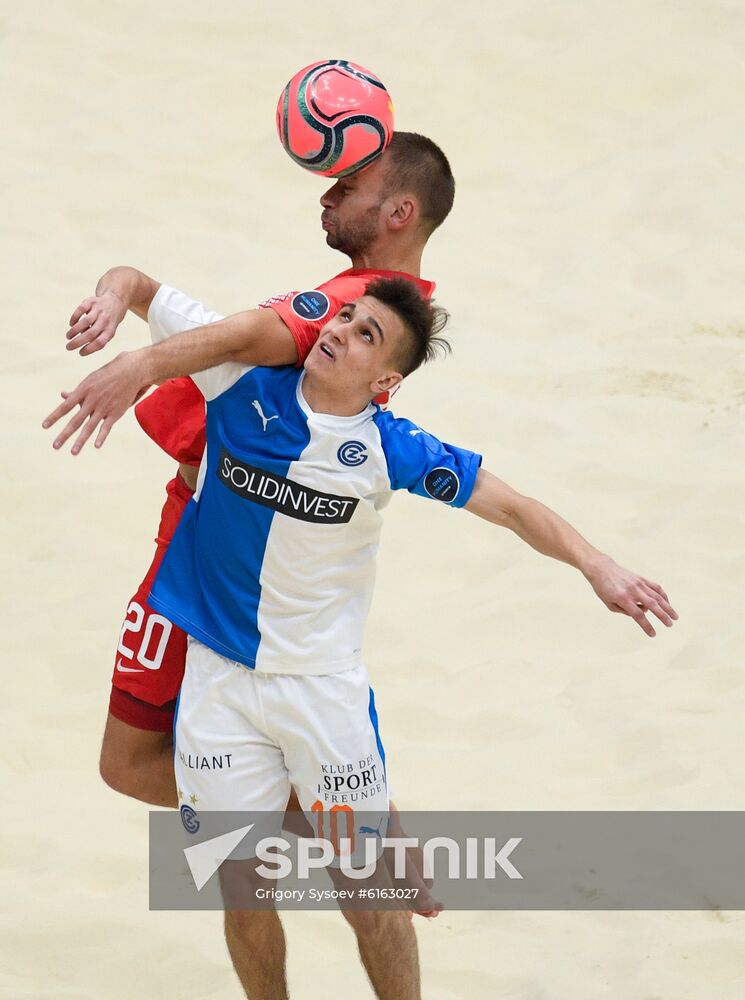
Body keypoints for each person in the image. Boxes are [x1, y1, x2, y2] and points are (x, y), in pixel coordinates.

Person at [141, 275, 677, 999]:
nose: (338, 331)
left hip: (320, 695)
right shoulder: (237, 381)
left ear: (386, 378)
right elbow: (142, 288)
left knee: (370, 898)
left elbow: (513, 507)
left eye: (366, 334)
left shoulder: (390, 450)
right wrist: (116, 296)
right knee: (244, 893)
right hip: (219, 683)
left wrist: (597, 564)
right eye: (346, 316)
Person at [43, 133, 453, 812]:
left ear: (399, 212)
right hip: (214, 526)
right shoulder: (376, 308)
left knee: (131, 762)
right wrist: (122, 295)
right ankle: (346, 835)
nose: (325, 193)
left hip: (210, 541)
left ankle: (354, 836)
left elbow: (235, 338)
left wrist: (137, 367)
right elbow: (177, 307)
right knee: (145, 765)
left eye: (346, 187)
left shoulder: (345, 308)